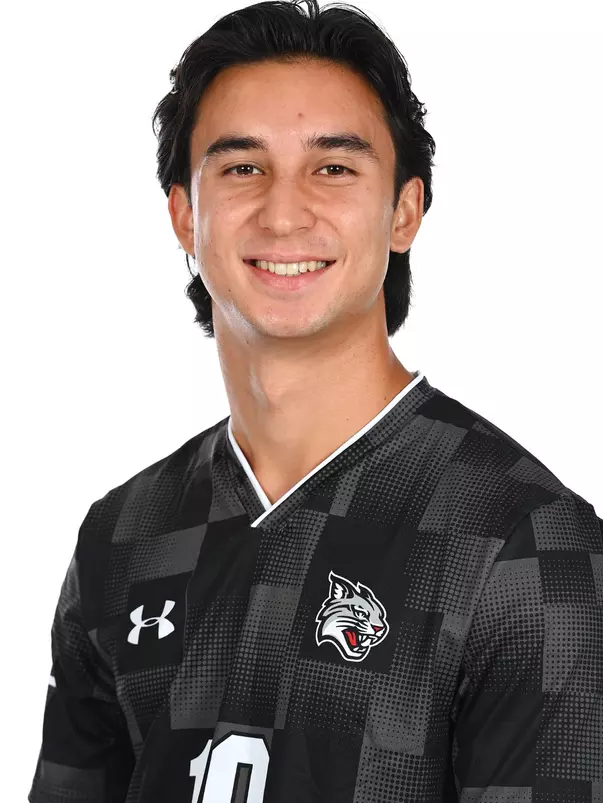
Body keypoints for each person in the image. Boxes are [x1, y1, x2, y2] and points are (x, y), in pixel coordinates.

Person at [29, 0, 602, 800]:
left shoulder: (525, 541)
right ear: (185, 215)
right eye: (241, 167)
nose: (283, 211)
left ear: (403, 210)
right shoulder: (122, 534)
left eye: (333, 167)